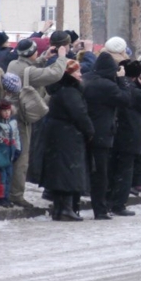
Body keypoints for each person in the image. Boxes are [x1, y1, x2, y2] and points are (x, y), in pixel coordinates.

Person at [7, 37, 69, 208]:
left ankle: (8, 192)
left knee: (14, 154)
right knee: (22, 157)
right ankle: (16, 195)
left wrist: (43, 57)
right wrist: (62, 57)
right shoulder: (28, 71)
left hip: (11, 114)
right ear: (31, 53)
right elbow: (54, 74)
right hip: (22, 117)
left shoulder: (14, 64)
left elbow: (27, 68)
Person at [81, 49, 131, 219]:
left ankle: (73, 206)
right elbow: (125, 99)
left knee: (83, 169)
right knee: (100, 173)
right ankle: (100, 209)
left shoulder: (86, 79)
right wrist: (122, 79)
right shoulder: (107, 85)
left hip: (83, 130)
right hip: (102, 132)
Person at [42, 60, 94, 221]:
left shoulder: (59, 90)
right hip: (68, 136)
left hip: (58, 135)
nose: (80, 75)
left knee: (60, 172)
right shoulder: (70, 92)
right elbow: (79, 114)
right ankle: (65, 208)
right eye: (76, 72)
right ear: (68, 74)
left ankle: (60, 208)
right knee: (68, 172)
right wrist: (89, 130)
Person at [109, 60, 141, 217]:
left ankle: (109, 200)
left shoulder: (113, 85)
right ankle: (118, 204)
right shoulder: (133, 90)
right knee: (125, 170)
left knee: (112, 169)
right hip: (130, 133)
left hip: (113, 132)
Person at [0, 100, 20, 206]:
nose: (6, 113)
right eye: (4, 111)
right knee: (1, 177)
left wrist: (18, 149)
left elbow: (17, 137)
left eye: (8, 110)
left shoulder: (13, 123)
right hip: (1, 155)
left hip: (10, 154)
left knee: (9, 176)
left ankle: (6, 196)